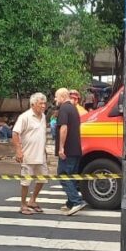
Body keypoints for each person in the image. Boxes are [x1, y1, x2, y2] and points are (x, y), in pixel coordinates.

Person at [12, 93, 49, 215]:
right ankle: (23, 204)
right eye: (40, 104)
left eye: (44, 103)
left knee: (42, 179)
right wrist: (18, 150)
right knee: (25, 182)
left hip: (41, 155)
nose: (43, 106)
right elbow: (15, 133)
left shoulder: (43, 116)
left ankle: (32, 200)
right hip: (28, 155)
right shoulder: (25, 117)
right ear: (33, 104)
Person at [54, 87, 87, 215]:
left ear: (62, 97)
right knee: (71, 176)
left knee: (63, 175)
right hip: (75, 149)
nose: (55, 100)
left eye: (56, 97)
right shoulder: (73, 108)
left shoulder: (64, 108)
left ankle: (76, 201)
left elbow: (63, 128)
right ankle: (71, 202)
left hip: (67, 150)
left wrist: (61, 147)